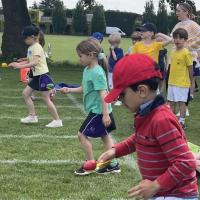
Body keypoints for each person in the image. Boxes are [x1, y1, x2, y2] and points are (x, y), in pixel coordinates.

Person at [97, 54, 198, 199]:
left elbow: (185, 163)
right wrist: (115, 151)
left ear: (142, 91)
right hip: (163, 192)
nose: (119, 99)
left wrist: (156, 185)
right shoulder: (147, 114)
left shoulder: (161, 119)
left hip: (177, 195)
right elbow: (140, 137)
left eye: (122, 94)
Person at [60, 39, 120, 175]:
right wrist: (69, 90)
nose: (79, 59)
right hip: (98, 110)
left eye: (80, 56)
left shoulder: (97, 72)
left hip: (99, 111)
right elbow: (83, 88)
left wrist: (105, 114)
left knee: (81, 135)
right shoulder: (87, 70)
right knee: (105, 136)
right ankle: (113, 164)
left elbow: (103, 95)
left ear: (91, 55)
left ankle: (90, 164)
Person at [8, 25, 62, 128]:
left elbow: (35, 62)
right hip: (37, 76)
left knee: (46, 98)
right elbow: (30, 60)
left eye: (25, 38)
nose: (24, 40)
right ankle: (32, 116)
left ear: (32, 37)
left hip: (43, 76)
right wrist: (22, 61)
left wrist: (19, 66)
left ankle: (57, 120)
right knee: (25, 94)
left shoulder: (36, 47)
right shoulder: (31, 47)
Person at [171, 3, 200, 116]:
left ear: (186, 12)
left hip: (188, 58)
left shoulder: (193, 24)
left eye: (179, 11)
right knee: (175, 85)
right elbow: (172, 39)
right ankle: (179, 109)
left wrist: (188, 47)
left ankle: (185, 108)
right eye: (177, 11)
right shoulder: (178, 25)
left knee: (184, 84)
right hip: (175, 58)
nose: (176, 13)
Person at [167, 28, 193, 129]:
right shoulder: (173, 52)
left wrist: (191, 82)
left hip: (182, 83)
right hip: (171, 82)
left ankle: (181, 122)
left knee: (181, 103)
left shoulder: (186, 53)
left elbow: (190, 68)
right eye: (175, 38)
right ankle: (173, 122)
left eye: (180, 38)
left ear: (185, 40)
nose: (177, 40)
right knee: (171, 103)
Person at [107, 33, 124, 106]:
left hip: (116, 70)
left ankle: (116, 99)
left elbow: (115, 58)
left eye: (113, 43)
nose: (112, 45)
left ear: (117, 43)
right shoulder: (111, 50)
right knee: (110, 85)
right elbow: (108, 58)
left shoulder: (120, 50)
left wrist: (113, 51)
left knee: (116, 84)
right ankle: (112, 98)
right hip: (110, 69)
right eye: (111, 43)